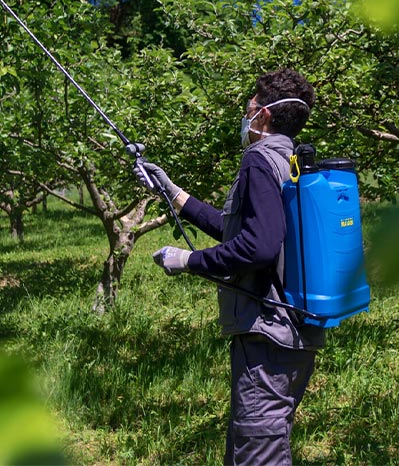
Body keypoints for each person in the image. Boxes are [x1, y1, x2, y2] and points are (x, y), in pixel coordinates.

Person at [133, 68, 325, 466]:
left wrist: (189, 260)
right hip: (294, 334)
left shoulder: (258, 159)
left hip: (268, 337)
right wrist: (173, 192)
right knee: (256, 446)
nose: (246, 113)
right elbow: (241, 229)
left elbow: (259, 247)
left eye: (250, 106)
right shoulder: (290, 161)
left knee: (257, 455)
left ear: (264, 115)